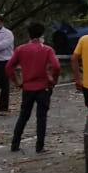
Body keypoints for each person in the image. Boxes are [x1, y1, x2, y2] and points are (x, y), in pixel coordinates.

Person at [6, 22, 60, 153]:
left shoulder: (21, 49)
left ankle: (15, 144)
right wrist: (53, 80)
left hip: (28, 87)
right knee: (41, 117)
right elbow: (56, 66)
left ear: (29, 35)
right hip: (43, 87)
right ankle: (39, 146)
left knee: (23, 116)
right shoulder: (47, 50)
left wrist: (17, 81)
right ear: (42, 35)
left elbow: (9, 67)